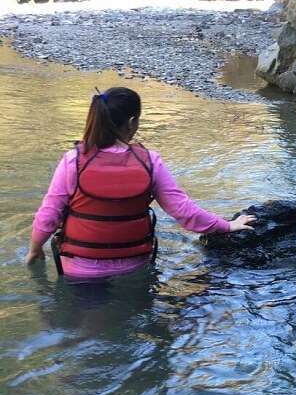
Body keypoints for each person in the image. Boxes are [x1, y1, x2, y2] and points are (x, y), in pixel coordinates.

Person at [25, 86, 256, 278]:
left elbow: (49, 214)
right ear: (132, 122)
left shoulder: (73, 161)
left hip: (80, 268)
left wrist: (35, 250)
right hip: (133, 267)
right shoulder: (150, 162)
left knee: (86, 325)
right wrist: (227, 225)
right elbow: (183, 211)